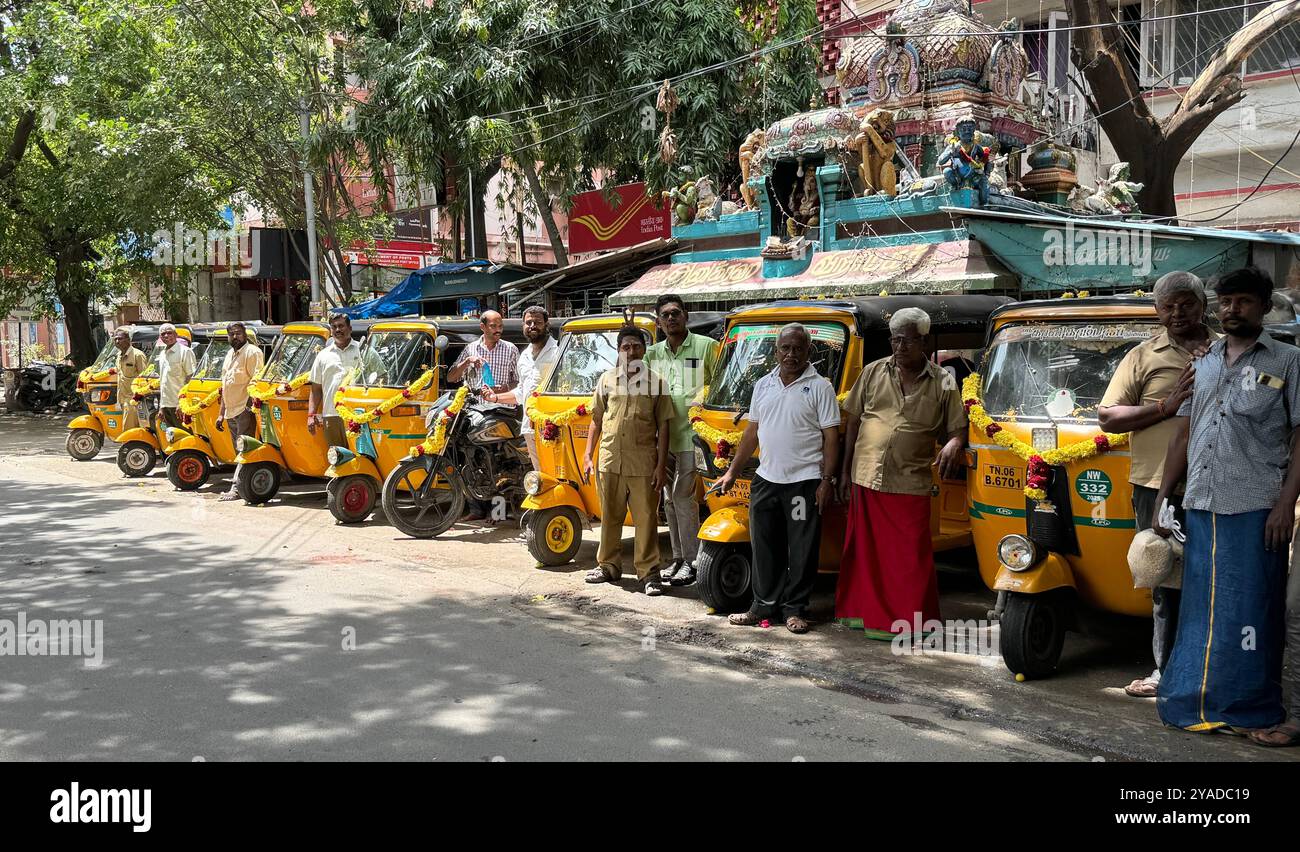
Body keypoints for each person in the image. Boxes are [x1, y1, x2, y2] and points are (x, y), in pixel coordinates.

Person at [1153, 266, 1300, 736]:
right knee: (1203, 608)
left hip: (1257, 506)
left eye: (1244, 301)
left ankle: (1249, 703)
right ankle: (1199, 699)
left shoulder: (1288, 361)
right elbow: (1186, 432)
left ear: (1263, 306)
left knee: (1250, 609)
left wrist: (1284, 506)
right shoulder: (1205, 360)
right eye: (1226, 301)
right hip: (1202, 501)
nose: (1233, 309)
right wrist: (1164, 496)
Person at [1098, 271, 1215, 698]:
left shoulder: (1224, 350)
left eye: (1186, 303)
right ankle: (1165, 670)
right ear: (1157, 311)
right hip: (1154, 486)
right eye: (1168, 305)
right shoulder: (1142, 356)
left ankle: (1207, 668)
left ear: (1204, 306)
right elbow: (1109, 418)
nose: (1178, 312)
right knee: (1163, 579)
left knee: (1213, 579)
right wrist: (1166, 406)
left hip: (1218, 485)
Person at [833, 308, 966, 639]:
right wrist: (845, 471)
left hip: (911, 479)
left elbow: (958, 428)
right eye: (894, 340)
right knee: (865, 555)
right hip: (866, 475)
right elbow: (852, 423)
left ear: (923, 341)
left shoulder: (944, 381)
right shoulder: (872, 372)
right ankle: (864, 617)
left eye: (906, 340)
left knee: (910, 558)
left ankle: (911, 623)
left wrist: (954, 443)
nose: (899, 347)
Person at [715, 324, 840, 634]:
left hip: (803, 483)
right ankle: (762, 607)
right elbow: (751, 433)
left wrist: (827, 480)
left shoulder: (820, 387)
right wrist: (731, 471)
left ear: (808, 352)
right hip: (766, 481)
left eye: (798, 348)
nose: (791, 354)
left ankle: (795, 609)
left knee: (801, 548)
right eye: (785, 348)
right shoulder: (764, 385)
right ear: (776, 351)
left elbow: (832, 438)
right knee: (765, 545)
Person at [583, 325, 674, 596]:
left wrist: (660, 466)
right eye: (626, 347)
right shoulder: (606, 380)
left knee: (646, 518)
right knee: (610, 515)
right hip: (610, 459)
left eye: (636, 346)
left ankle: (648, 574)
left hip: (643, 463)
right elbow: (596, 420)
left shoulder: (657, 382)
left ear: (644, 350)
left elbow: (664, 427)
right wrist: (588, 455)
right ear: (618, 351)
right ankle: (608, 566)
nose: (631, 351)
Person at [645, 294, 717, 587]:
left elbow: (719, 385)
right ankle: (677, 558)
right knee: (668, 501)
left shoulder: (707, 347)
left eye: (676, 313)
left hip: (694, 437)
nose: (671, 318)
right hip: (663, 440)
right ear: (659, 322)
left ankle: (692, 560)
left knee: (682, 498)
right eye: (665, 315)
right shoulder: (652, 354)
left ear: (686, 316)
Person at [448, 309, 521, 521]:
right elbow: (452, 377)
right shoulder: (471, 348)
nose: (498, 330)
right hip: (473, 412)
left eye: (500, 326)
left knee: (495, 462)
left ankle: (496, 512)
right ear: (482, 327)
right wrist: (467, 362)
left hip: (501, 411)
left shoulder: (510, 349)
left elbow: (518, 382)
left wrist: (501, 389)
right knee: (468, 457)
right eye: (493, 326)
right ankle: (476, 509)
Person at [494, 306, 557, 471]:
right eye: (528, 322)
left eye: (537, 322)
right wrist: (494, 397)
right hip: (529, 426)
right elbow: (521, 393)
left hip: (553, 426)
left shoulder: (557, 352)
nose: (532, 326)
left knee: (556, 471)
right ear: (523, 326)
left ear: (546, 324)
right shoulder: (524, 356)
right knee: (539, 473)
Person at [307, 314, 377, 453]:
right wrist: (311, 415)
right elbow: (315, 390)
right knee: (337, 457)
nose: (338, 329)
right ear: (331, 331)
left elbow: (381, 377)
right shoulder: (323, 355)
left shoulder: (364, 351)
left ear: (350, 328)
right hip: (331, 416)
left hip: (359, 415)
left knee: (362, 457)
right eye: (334, 327)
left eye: (341, 326)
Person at [217, 323, 264, 501]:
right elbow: (225, 386)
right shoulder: (229, 354)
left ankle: (237, 488)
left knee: (244, 451)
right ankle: (244, 484)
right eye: (232, 334)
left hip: (245, 409)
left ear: (245, 335)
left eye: (238, 333)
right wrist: (221, 413)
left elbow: (256, 381)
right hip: (230, 411)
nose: (235, 337)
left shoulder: (252, 352)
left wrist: (249, 408)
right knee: (239, 451)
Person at [155, 323, 196, 430]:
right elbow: (163, 382)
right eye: (163, 334)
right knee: (171, 437)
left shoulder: (185, 352)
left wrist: (182, 403)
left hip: (179, 405)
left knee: (184, 437)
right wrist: (161, 407)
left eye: (169, 333)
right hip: (166, 405)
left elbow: (190, 377)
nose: (166, 336)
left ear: (176, 334)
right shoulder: (163, 354)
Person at [112, 329, 149, 432]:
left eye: (120, 339)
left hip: (133, 399)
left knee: (129, 430)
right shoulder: (119, 356)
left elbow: (144, 378)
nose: (117, 341)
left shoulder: (138, 355)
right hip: (122, 398)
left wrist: (138, 397)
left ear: (128, 340)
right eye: (115, 339)